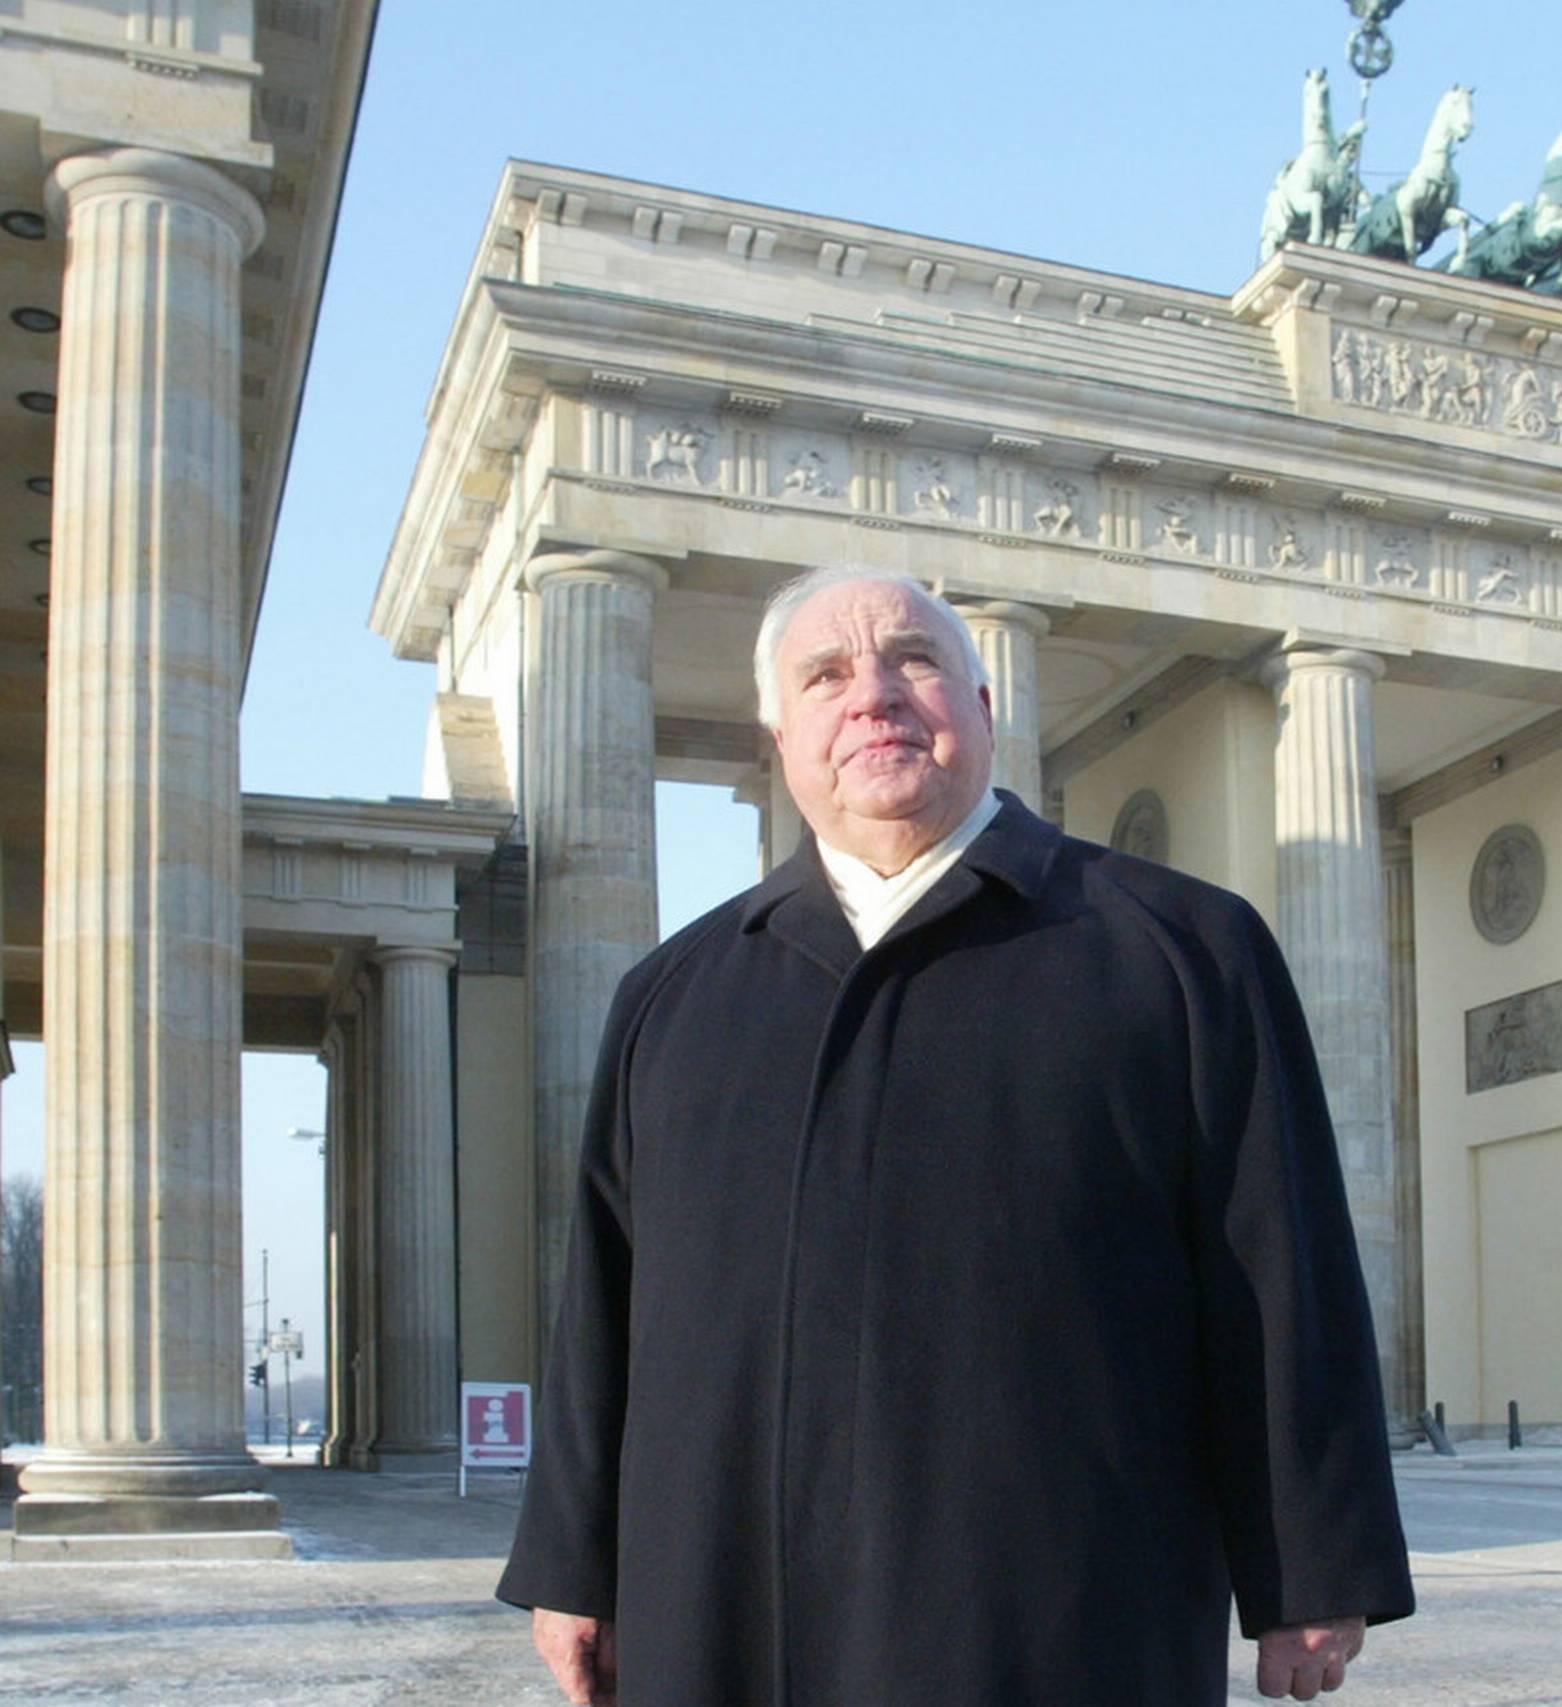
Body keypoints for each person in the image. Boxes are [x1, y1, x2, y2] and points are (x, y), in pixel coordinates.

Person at [497, 568, 1415, 1706]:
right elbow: (602, 1302)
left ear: (984, 707)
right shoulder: (670, 994)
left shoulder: (1185, 952)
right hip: (725, 1603)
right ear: (783, 735)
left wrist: (1312, 1566)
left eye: (914, 660)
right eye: (825, 676)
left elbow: (1283, 1273)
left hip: (1056, 1608)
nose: (873, 696)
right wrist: (573, 1563)